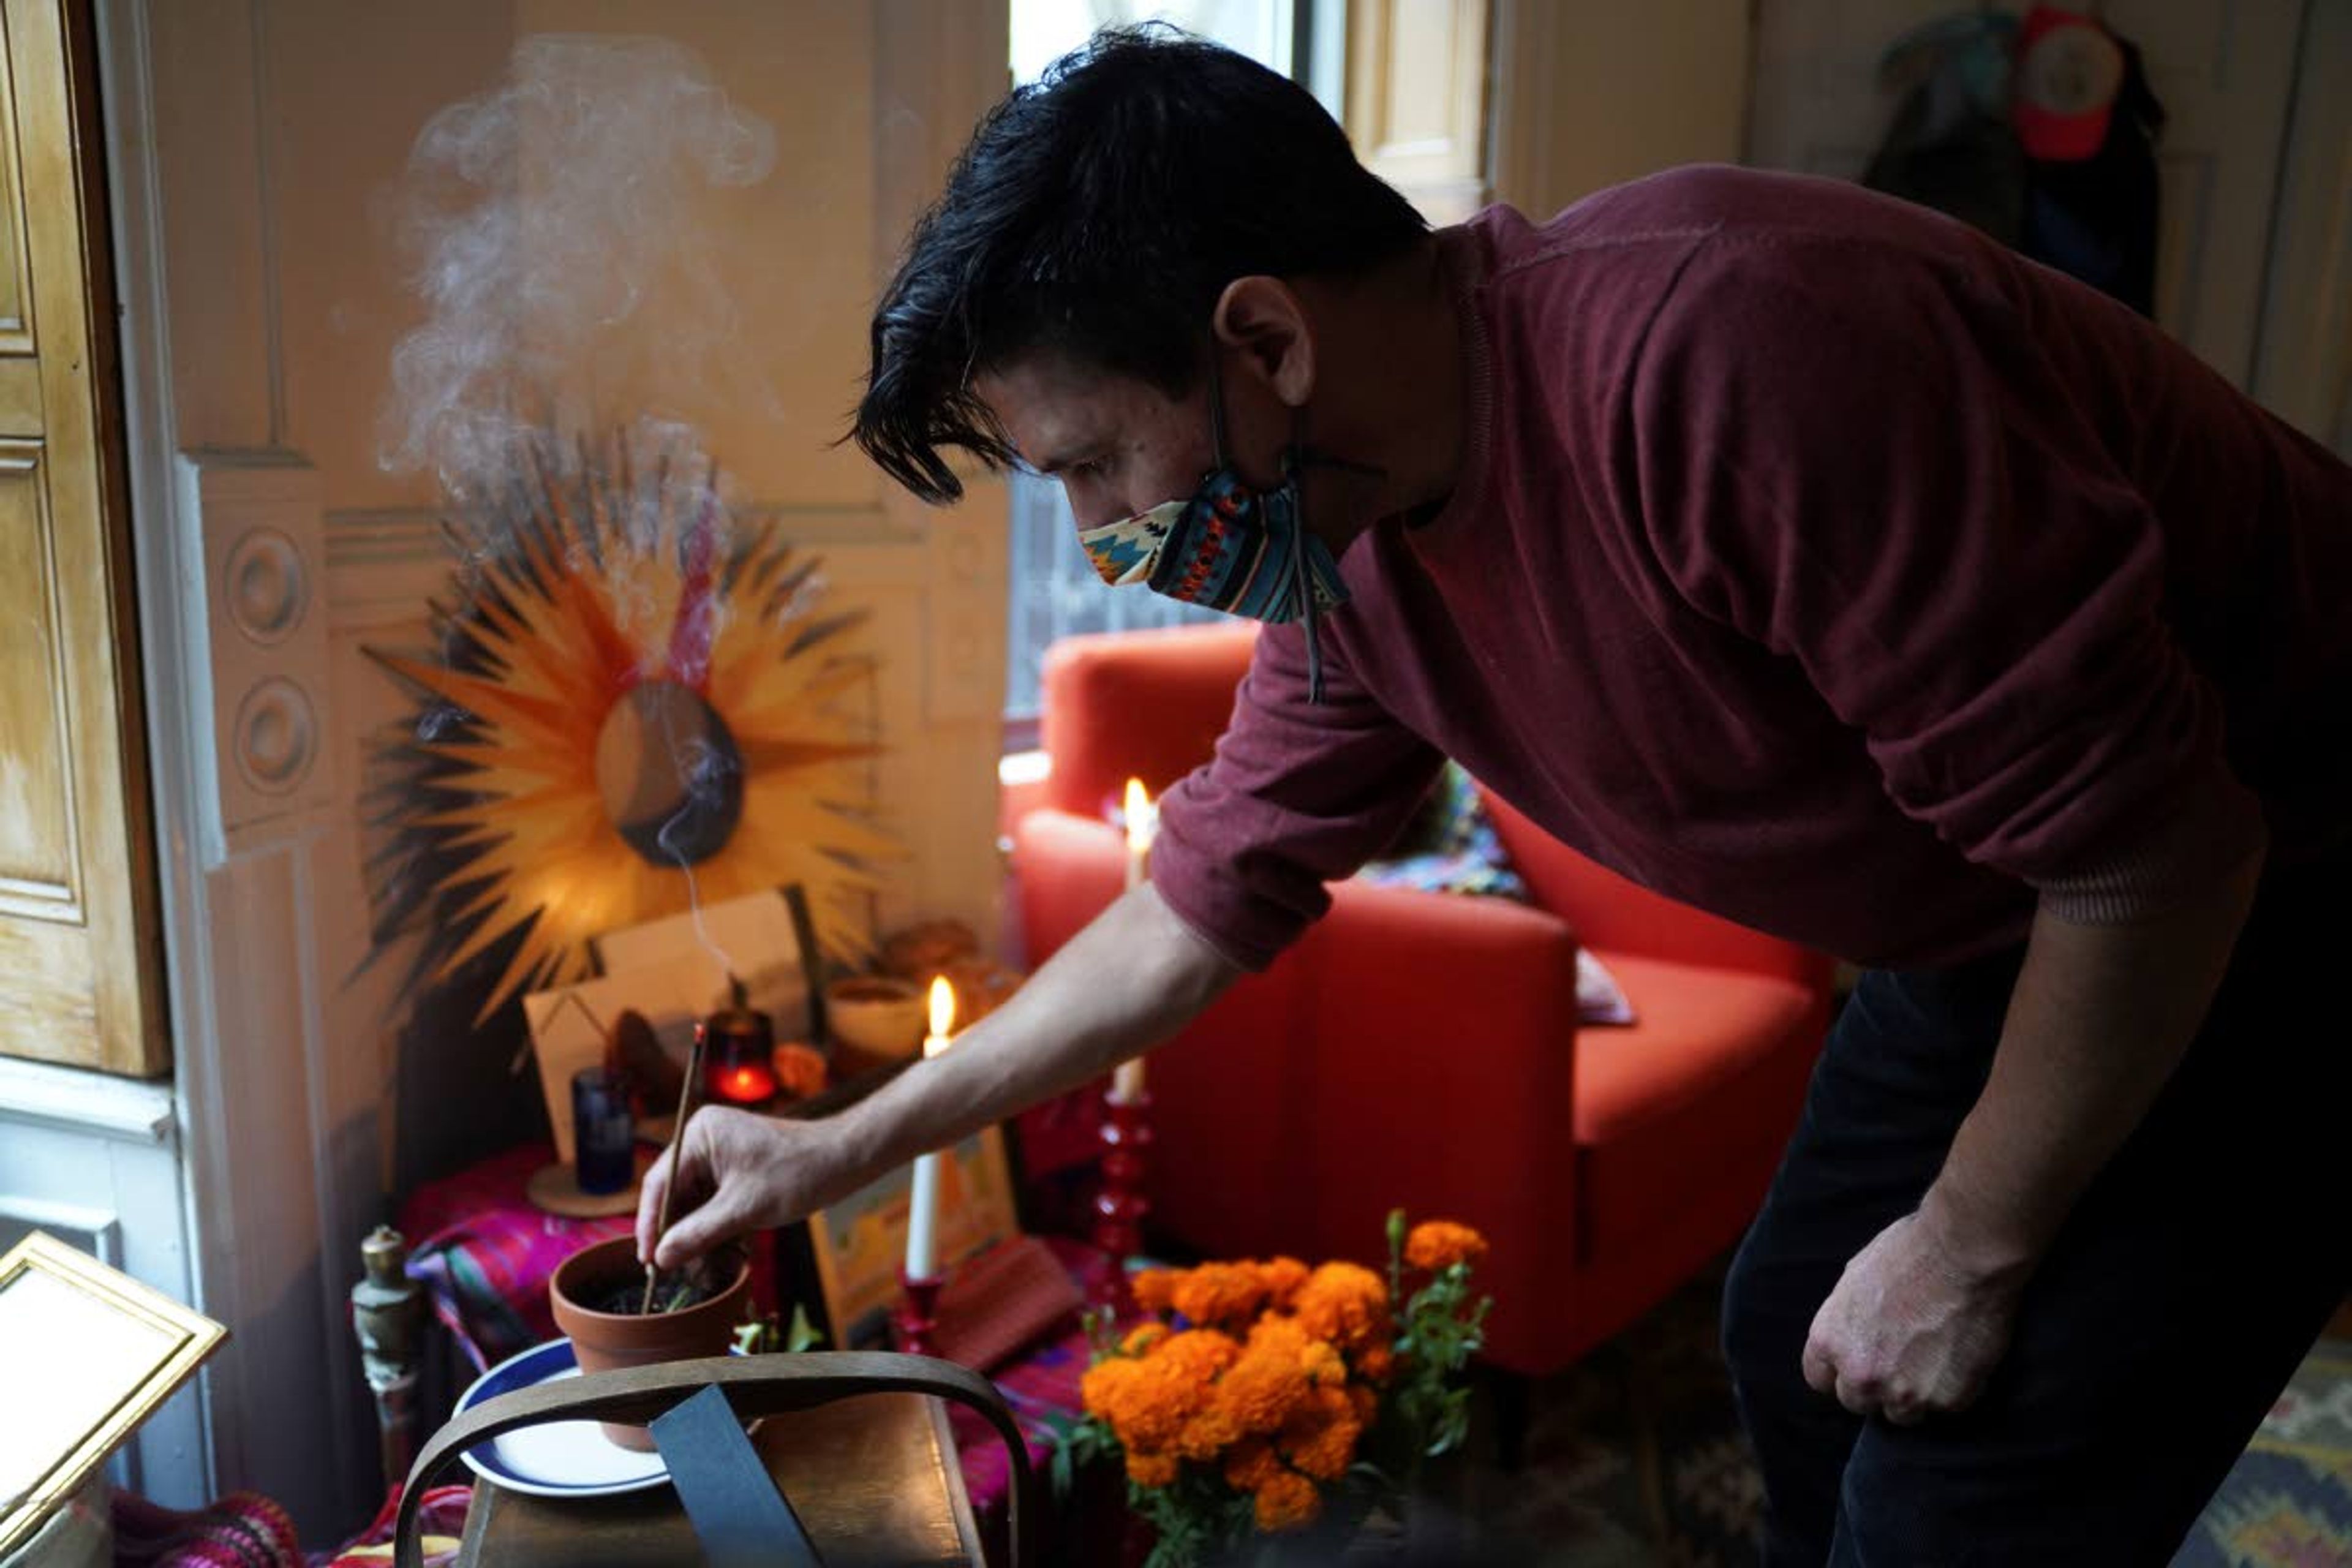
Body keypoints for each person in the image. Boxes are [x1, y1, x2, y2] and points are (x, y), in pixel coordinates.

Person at [638, 27, 2351, 1564]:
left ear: (1264, 341)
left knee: (1962, 1483)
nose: (1100, 537)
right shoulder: (1348, 544)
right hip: (1997, 908)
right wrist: (841, 1144)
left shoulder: (1731, 355)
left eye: (1092, 463)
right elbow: (1195, 909)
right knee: (1794, 1347)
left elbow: (2155, 853)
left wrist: (1972, 1249)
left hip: (2266, 892)